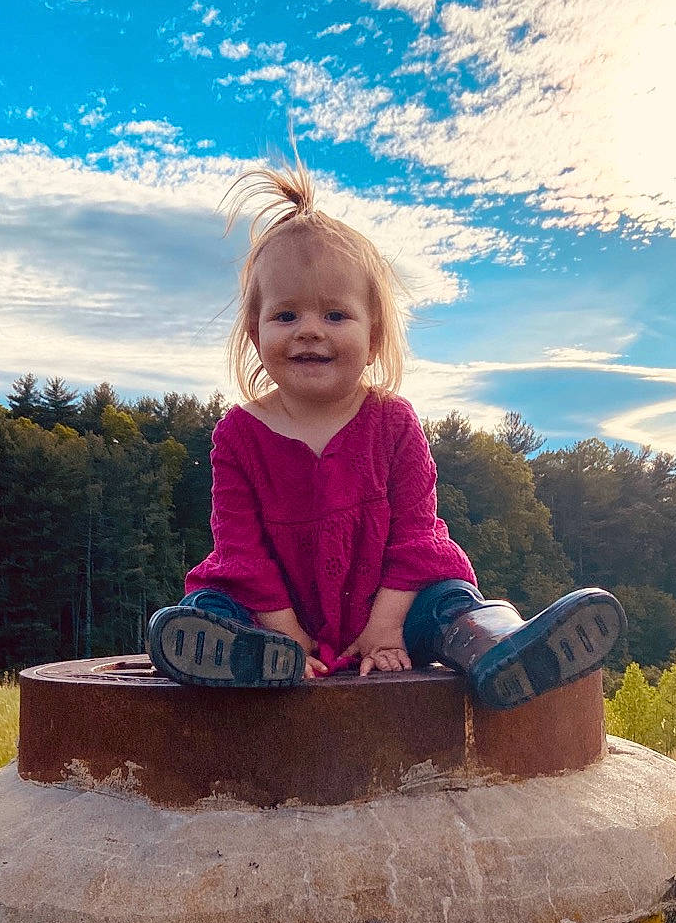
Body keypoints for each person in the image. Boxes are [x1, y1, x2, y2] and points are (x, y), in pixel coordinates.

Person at [147, 162, 624, 709]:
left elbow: (415, 540)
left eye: (334, 314)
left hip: (392, 606)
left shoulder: (393, 424)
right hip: (270, 612)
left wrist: (386, 629)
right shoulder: (237, 435)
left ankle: (502, 646)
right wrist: (285, 634)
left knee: (449, 603)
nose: (309, 330)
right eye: (285, 315)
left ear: (374, 336)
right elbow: (241, 550)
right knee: (214, 602)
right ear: (254, 334)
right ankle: (245, 655)